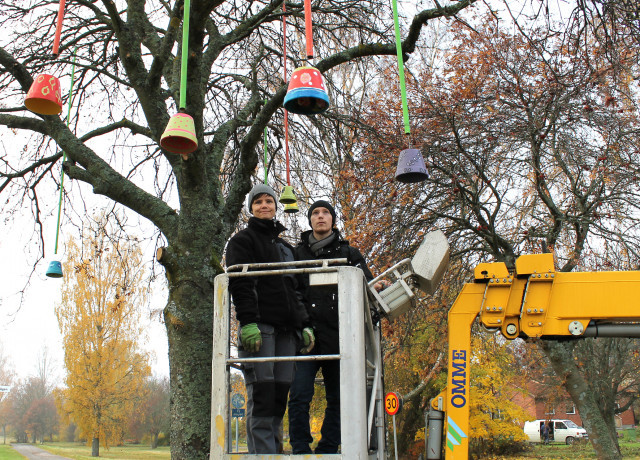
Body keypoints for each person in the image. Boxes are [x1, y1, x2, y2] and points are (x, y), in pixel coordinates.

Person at [288, 200, 386, 454]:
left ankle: (329, 447)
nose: (321, 217)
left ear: (333, 220)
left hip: (340, 335)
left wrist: (374, 288)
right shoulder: (297, 254)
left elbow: (367, 288)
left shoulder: (349, 254)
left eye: (326, 213)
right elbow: (291, 292)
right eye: (316, 213)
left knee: (339, 397)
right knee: (299, 394)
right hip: (306, 337)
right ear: (310, 221)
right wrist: (302, 325)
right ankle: (299, 447)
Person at [226, 183, 315, 454]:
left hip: (288, 331)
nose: (264, 206)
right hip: (260, 327)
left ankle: (273, 453)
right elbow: (240, 284)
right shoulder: (242, 241)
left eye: (269, 201)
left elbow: (297, 289)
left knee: (280, 395)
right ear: (250, 209)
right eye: (258, 202)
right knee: (262, 394)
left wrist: (305, 324)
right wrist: (248, 321)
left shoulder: (285, 248)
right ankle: (262, 455)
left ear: (276, 207)